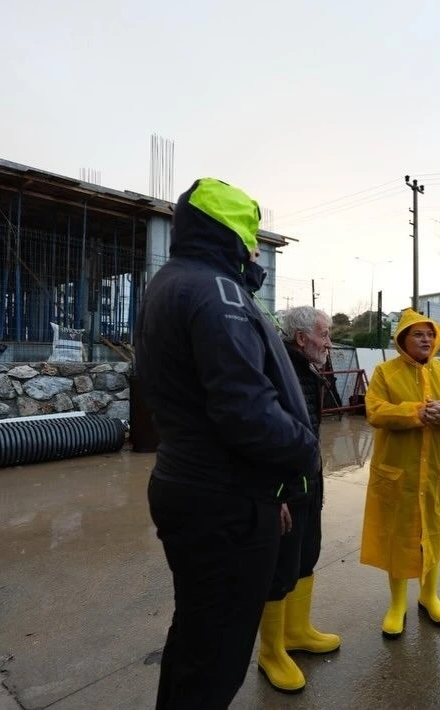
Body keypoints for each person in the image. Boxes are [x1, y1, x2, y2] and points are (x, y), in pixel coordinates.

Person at [136, 177, 320, 710]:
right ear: (233, 235)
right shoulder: (218, 292)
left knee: (197, 638)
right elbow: (245, 410)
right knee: (216, 658)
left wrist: (271, 487)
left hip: (201, 485)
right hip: (224, 502)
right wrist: (303, 454)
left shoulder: (174, 283)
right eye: (251, 238)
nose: (256, 251)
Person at [361, 308, 440, 639]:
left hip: (436, 473)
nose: (426, 339)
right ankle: (397, 604)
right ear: (402, 339)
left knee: (433, 534)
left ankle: (429, 595)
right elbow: (375, 411)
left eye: (430, 334)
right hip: (398, 474)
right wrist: (416, 412)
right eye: (418, 334)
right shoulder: (385, 372)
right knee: (399, 537)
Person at [256, 306, 340, 693]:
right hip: (284, 488)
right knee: (280, 569)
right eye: (324, 334)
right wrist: (275, 495)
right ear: (302, 338)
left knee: (307, 555)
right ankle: (271, 652)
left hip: (309, 479)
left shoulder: (305, 368)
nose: (329, 343)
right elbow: (264, 435)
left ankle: (297, 632)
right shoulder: (277, 368)